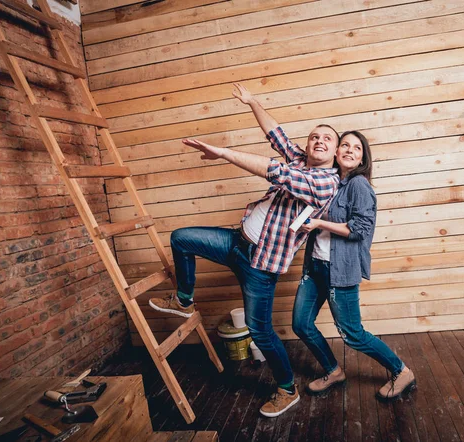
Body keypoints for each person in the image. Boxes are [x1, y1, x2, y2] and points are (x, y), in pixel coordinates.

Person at [148, 83, 340, 417]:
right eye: (314, 136)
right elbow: (275, 134)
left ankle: (286, 389)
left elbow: (273, 170)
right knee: (181, 237)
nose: (319, 141)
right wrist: (253, 101)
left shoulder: (325, 182)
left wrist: (223, 153)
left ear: (336, 152)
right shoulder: (300, 160)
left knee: (260, 331)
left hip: (260, 266)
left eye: (327, 139)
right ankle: (183, 299)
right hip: (237, 244)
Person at [293, 130, 416, 400]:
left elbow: (359, 229)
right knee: (301, 324)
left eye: (357, 148)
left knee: (352, 334)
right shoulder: (329, 181)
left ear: (363, 158)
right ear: (336, 152)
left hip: (340, 271)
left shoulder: (358, 185)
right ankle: (333, 370)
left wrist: (319, 223)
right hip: (315, 267)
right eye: (345, 145)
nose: (349, 150)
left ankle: (401, 371)